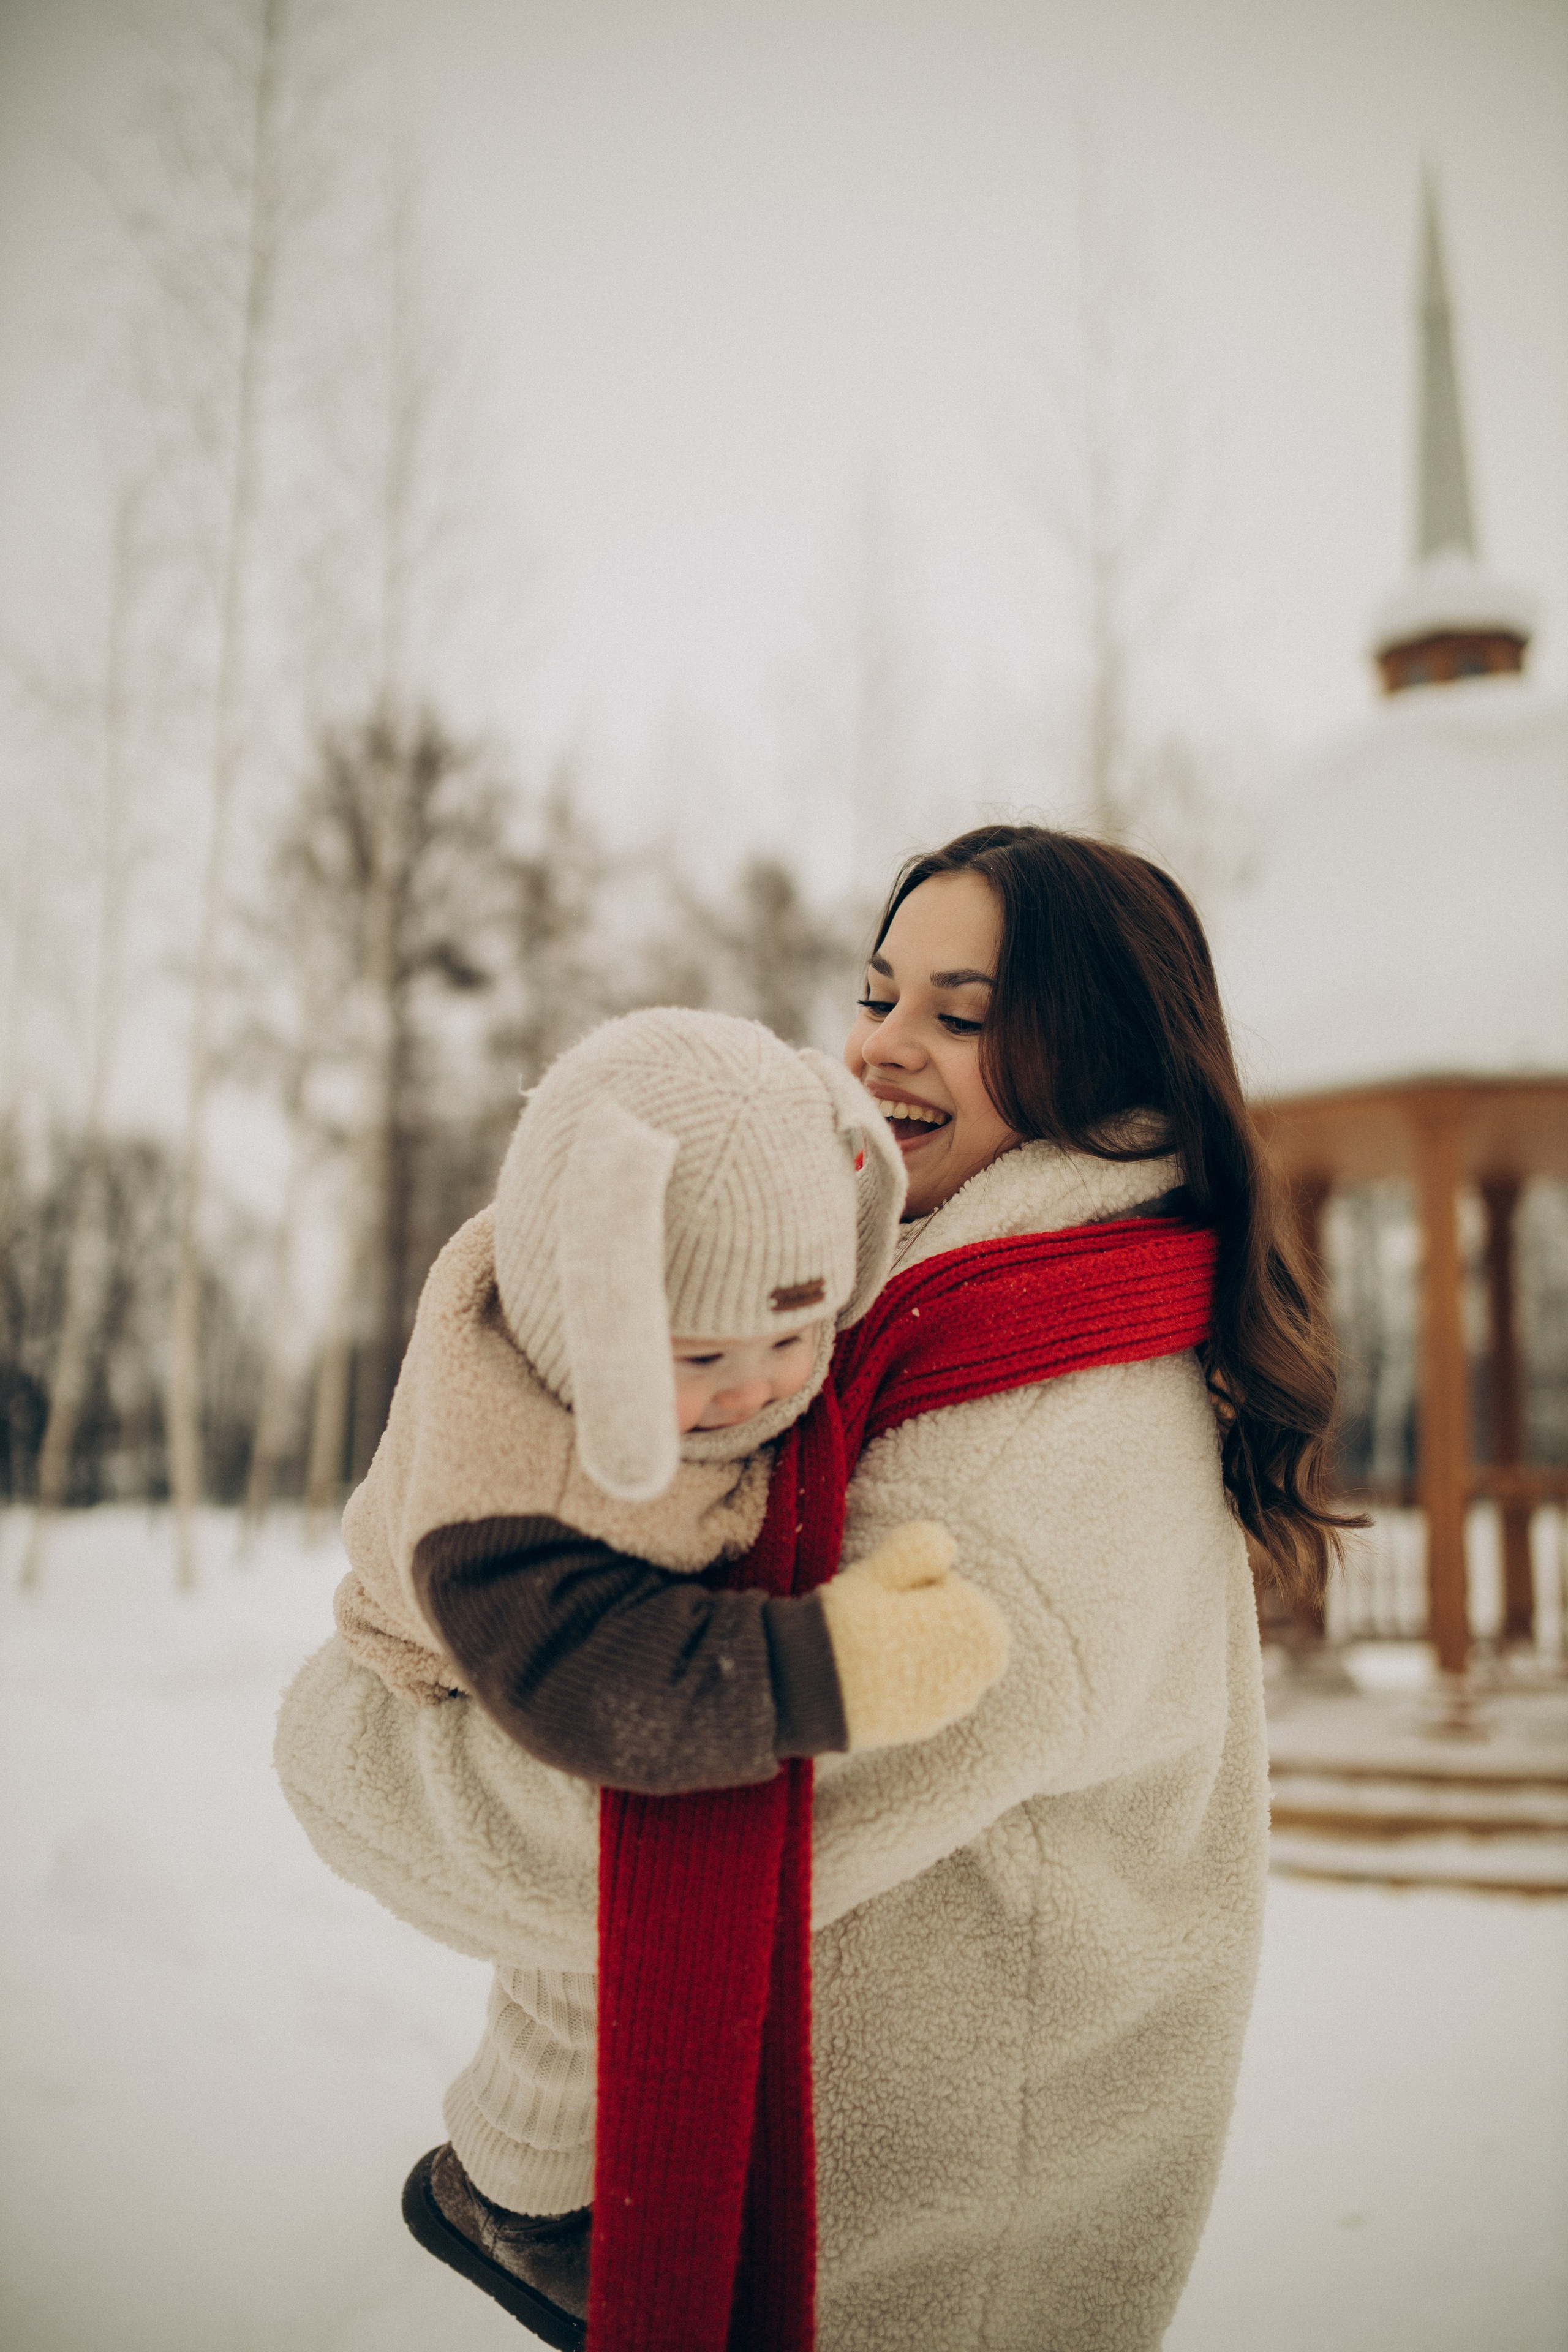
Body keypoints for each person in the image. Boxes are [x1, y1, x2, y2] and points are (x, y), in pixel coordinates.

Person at [278, 825, 1349, 2350]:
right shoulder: (940, 1317)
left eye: (960, 1015)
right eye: (878, 992)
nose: (883, 1047)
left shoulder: (1022, 1448)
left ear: (1100, 1065)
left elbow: (634, 1830)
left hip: (909, 2289)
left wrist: (341, 1731)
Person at [299, 1005, 1008, 2343]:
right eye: (696, 1361)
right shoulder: (502, 1496)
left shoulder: (702, 1312)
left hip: (606, 1578)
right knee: (581, 1981)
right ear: (597, 1314)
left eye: (792, 1343)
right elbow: (599, 1683)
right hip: (464, 1676)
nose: (753, 1394)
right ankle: (496, 2195)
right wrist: (835, 1665)